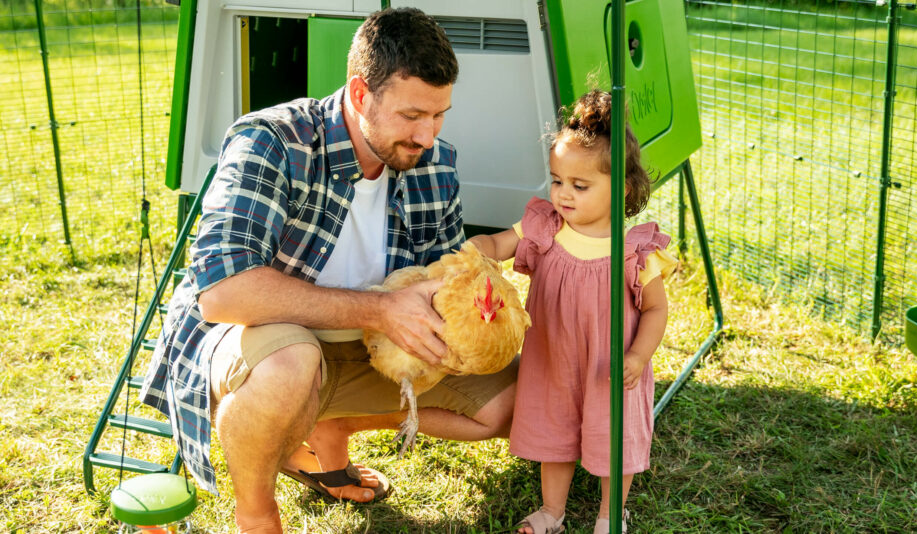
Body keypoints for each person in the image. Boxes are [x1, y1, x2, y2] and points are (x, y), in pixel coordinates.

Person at [139, 8, 517, 533]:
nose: (427, 136)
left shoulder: (434, 163)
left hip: (370, 347)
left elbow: (446, 277)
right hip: (269, 344)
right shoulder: (272, 141)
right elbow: (222, 293)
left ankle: (328, 424)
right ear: (361, 94)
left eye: (440, 115)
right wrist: (382, 309)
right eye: (412, 116)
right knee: (291, 364)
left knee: (510, 405)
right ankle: (256, 511)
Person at [468, 89, 677, 534]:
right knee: (553, 433)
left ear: (619, 187)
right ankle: (551, 512)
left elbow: (656, 310)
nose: (563, 194)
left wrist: (638, 356)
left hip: (611, 365)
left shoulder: (634, 250)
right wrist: (476, 250)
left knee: (612, 436)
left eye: (579, 186)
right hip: (553, 358)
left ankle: (609, 516)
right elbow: (500, 244)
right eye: (557, 180)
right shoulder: (546, 227)